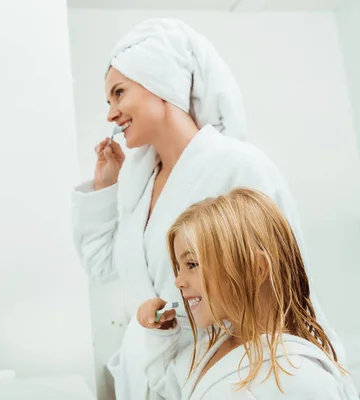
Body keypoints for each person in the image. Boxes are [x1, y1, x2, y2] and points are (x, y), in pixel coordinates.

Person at [71, 18, 345, 400]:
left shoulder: (240, 167)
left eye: (119, 93)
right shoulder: (138, 184)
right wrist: (105, 189)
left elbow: (286, 284)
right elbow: (99, 267)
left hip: (228, 375)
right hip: (153, 368)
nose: (111, 113)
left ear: (159, 82)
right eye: (108, 100)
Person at [135, 188, 357, 399]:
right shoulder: (214, 349)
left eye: (192, 264)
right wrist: (162, 333)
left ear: (256, 268)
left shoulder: (300, 379)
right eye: (179, 268)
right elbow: (168, 387)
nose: (178, 281)